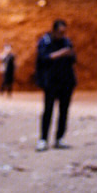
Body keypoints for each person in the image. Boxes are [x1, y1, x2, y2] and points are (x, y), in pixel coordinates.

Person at [35, 19, 76, 150]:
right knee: (48, 110)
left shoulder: (66, 41)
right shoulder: (45, 41)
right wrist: (61, 54)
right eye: (60, 32)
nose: (61, 34)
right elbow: (43, 58)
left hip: (66, 81)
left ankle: (59, 138)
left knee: (63, 111)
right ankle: (43, 139)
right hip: (51, 81)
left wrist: (68, 54)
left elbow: (73, 58)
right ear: (54, 30)